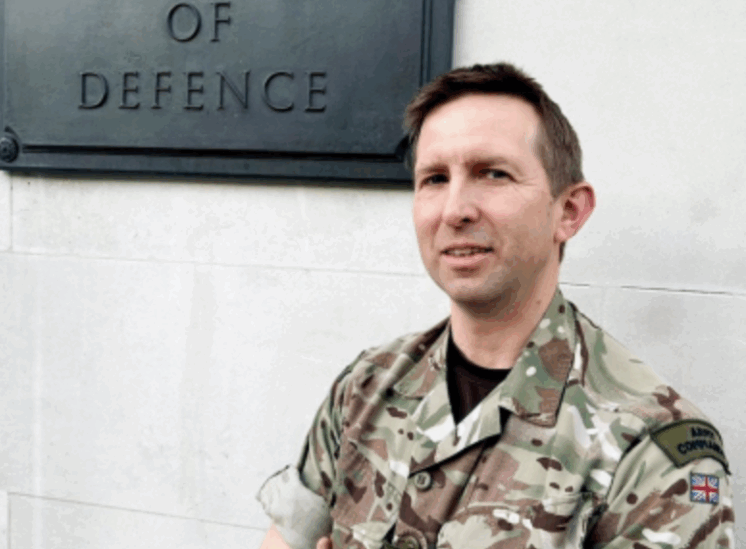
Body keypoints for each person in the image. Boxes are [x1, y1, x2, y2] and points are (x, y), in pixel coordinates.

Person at [256, 63, 734, 549]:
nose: (455, 210)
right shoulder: (367, 387)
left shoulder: (651, 447)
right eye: (435, 178)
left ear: (568, 211)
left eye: (493, 174)